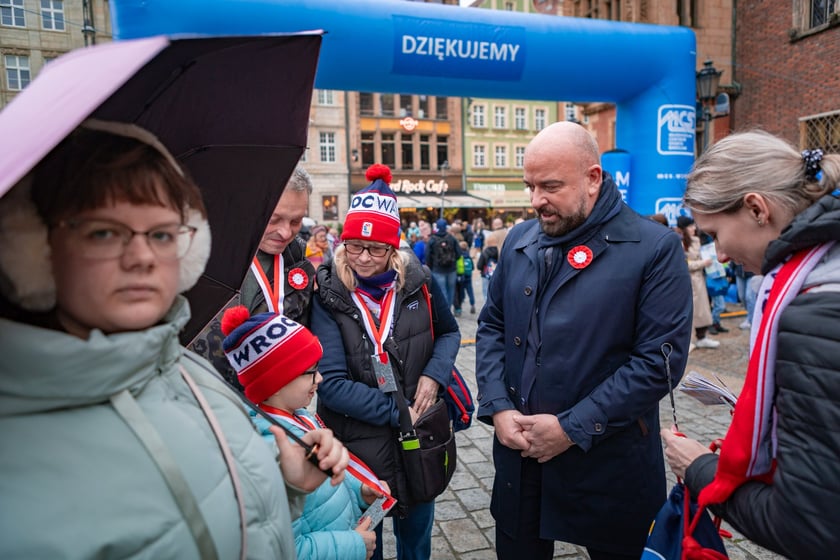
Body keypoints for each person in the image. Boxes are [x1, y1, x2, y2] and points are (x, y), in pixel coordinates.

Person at [0, 120, 349, 559]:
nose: (143, 256)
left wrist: (285, 484)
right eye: (105, 232)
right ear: (32, 251)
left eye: (162, 233)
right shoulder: (20, 460)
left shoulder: (189, 375)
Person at [475, 122, 692, 560]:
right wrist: (498, 406)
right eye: (531, 186)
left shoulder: (654, 247)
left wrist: (571, 429)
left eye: (551, 186)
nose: (536, 200)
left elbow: (658, 363)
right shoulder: (519, 239)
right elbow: (492, 325)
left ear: (593, 178)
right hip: (522, 457)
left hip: (609, 465)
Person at [661, 130, 840, 559]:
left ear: (757, 208)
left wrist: (699, 468)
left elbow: (807, 526)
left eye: (715, 233)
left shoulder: (813, 315)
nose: (720, 255)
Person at [309, 163, 460, 560]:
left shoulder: (418, 282)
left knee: (416, 540)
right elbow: (332, 384)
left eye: (376, 248)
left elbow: (449, 332)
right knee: (366, 543)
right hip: (359, 452)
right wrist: (401, 413)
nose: (363, 258)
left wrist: (434, 374)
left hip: (417, 447)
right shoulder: (328, 294)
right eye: (354, 246)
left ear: (394, 248)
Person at [221, 307, 388, 560]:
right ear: (276, 382)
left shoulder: (301, 418)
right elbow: (287, 550)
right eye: (310, 371)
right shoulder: (270, 453)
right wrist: (353, 546)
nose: (319, 378)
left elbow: (326, 489)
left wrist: (360, 492)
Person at [241, 165, 316, 322]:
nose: (286, 233)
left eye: (296, 221)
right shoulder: (207, 255)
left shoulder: (299, 262)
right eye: (274, 220)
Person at [675, 215, 720, 349]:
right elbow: (683, 264)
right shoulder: (679, 242)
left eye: (694, 225)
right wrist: (702, 263)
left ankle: (702, 337)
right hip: (687, 281)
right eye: (690, 226)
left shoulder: (696, 240)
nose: (694, 228)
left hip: (700, 280)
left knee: (702, 311)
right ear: (684, 228)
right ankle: (686, 341)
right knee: (688, 312)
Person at [425, 218, 460, 307]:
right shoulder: (452, 238)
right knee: (451, 290)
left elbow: (427, 255)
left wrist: (430, 267)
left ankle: (446, 309)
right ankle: (449, 308)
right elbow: (459, 253)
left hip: (438, 269)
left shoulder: (432, 239)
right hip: (452, 269)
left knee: (442, 291)